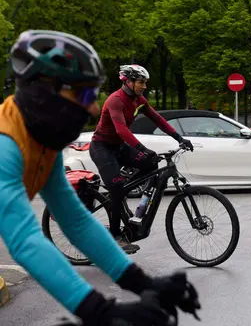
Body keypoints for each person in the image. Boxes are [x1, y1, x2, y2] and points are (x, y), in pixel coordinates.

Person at [0, 30, 200, 326]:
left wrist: (142, 284)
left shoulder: (43, 142)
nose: (94, 108)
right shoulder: (6, 145)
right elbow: (25, 239)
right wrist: (100, 311)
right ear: (45, 92)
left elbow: (75, 221)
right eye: (84, 95)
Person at [90, 64, 193, 252]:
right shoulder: (115, 100)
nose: (144, 86)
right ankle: (116, 236)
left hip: (119, 147)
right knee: (118, 190)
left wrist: (179, 138)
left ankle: (128, 199)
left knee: (152, 164)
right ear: (128, 82)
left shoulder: (139, 100)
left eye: (145, 83)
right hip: (102, 148)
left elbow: (158, 119)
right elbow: (121, 129)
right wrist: (142, 148)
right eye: (141, 82)